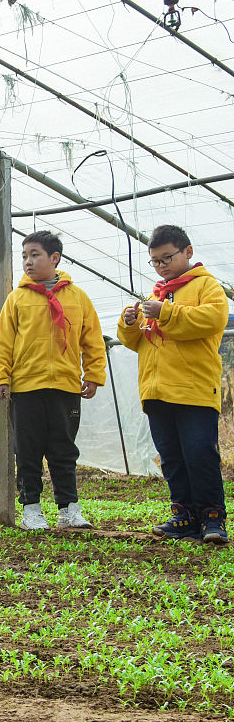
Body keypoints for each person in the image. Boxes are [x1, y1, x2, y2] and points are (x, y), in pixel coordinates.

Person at [117, 225, 229, 545]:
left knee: (199, 453)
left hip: (193, 389)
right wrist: (129, 325)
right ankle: (184, 516)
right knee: (171, 457)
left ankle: (212, 518)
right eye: (154, 261)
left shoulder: (207, 287)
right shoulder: (157, 294)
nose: (161, 265)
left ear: (188, 253)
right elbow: (138, 342)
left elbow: (212, 320)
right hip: (156, 390)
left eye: (167, 257)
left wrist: (165, 312)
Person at [0, 231, 105, 531]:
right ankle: (31, 509)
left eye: (35, 255)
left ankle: (69, 508)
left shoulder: (78, 297)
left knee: (63, 450)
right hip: (27, 388)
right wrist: (1, 378)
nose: (28, 261)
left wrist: (93, 374)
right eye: (25, 256)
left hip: (66, 387)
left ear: (55, 258)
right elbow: (3, 343)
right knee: (27, 451)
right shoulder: (16, 299)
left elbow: (92, 339)